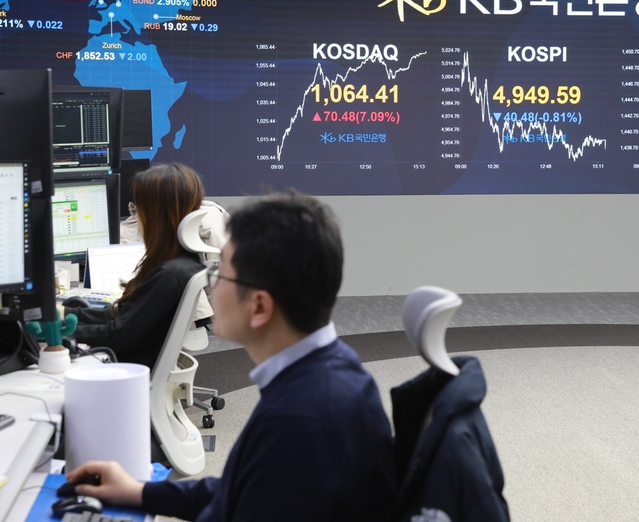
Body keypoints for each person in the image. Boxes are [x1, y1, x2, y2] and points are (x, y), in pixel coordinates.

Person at [66, 191, 398, 521]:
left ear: (259, 306)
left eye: (220, 273)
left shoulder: (302, 418)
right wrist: (139, 492)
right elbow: (245, 491)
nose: (212, 286)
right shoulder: (325, 376)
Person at [63, 163, 209, 369]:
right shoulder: (181, 263)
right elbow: (125, 317)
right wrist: (66, 314)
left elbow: (119, 334)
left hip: (126, 372)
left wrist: (60, 329)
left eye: (138, 209)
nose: (136, 217)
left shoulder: (170, 275)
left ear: (156, 216)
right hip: (131, 368)